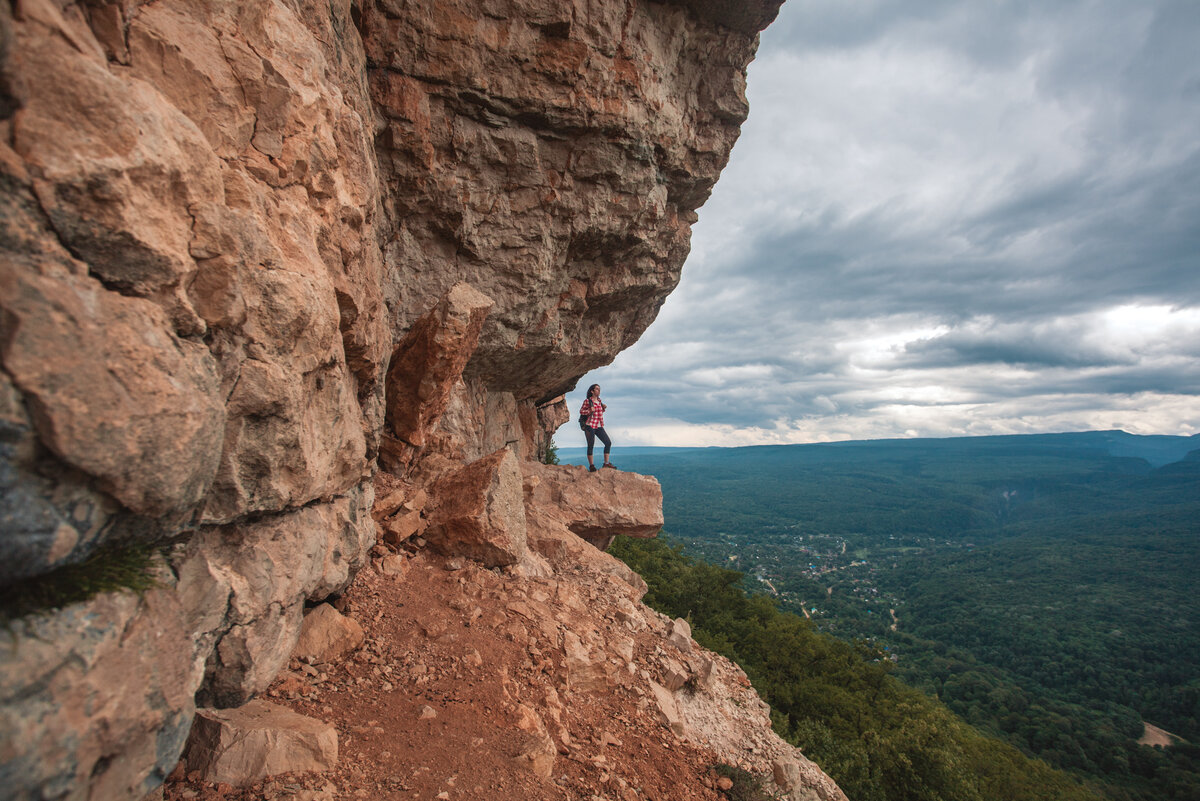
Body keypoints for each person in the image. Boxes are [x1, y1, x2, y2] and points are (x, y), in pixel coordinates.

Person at [580, 383, 615, 472]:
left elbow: (599, 413)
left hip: (599, 425)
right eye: (597, 389)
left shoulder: (599, 401)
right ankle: (592, 466)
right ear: (592, 391)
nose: (598, 391)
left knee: (608, 442)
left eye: (599, 389)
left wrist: (603, 408)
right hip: (589, 425)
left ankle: (606, 463)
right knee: (591, 445)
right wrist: (589, 410)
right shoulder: (587, 401)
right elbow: (581, 411)